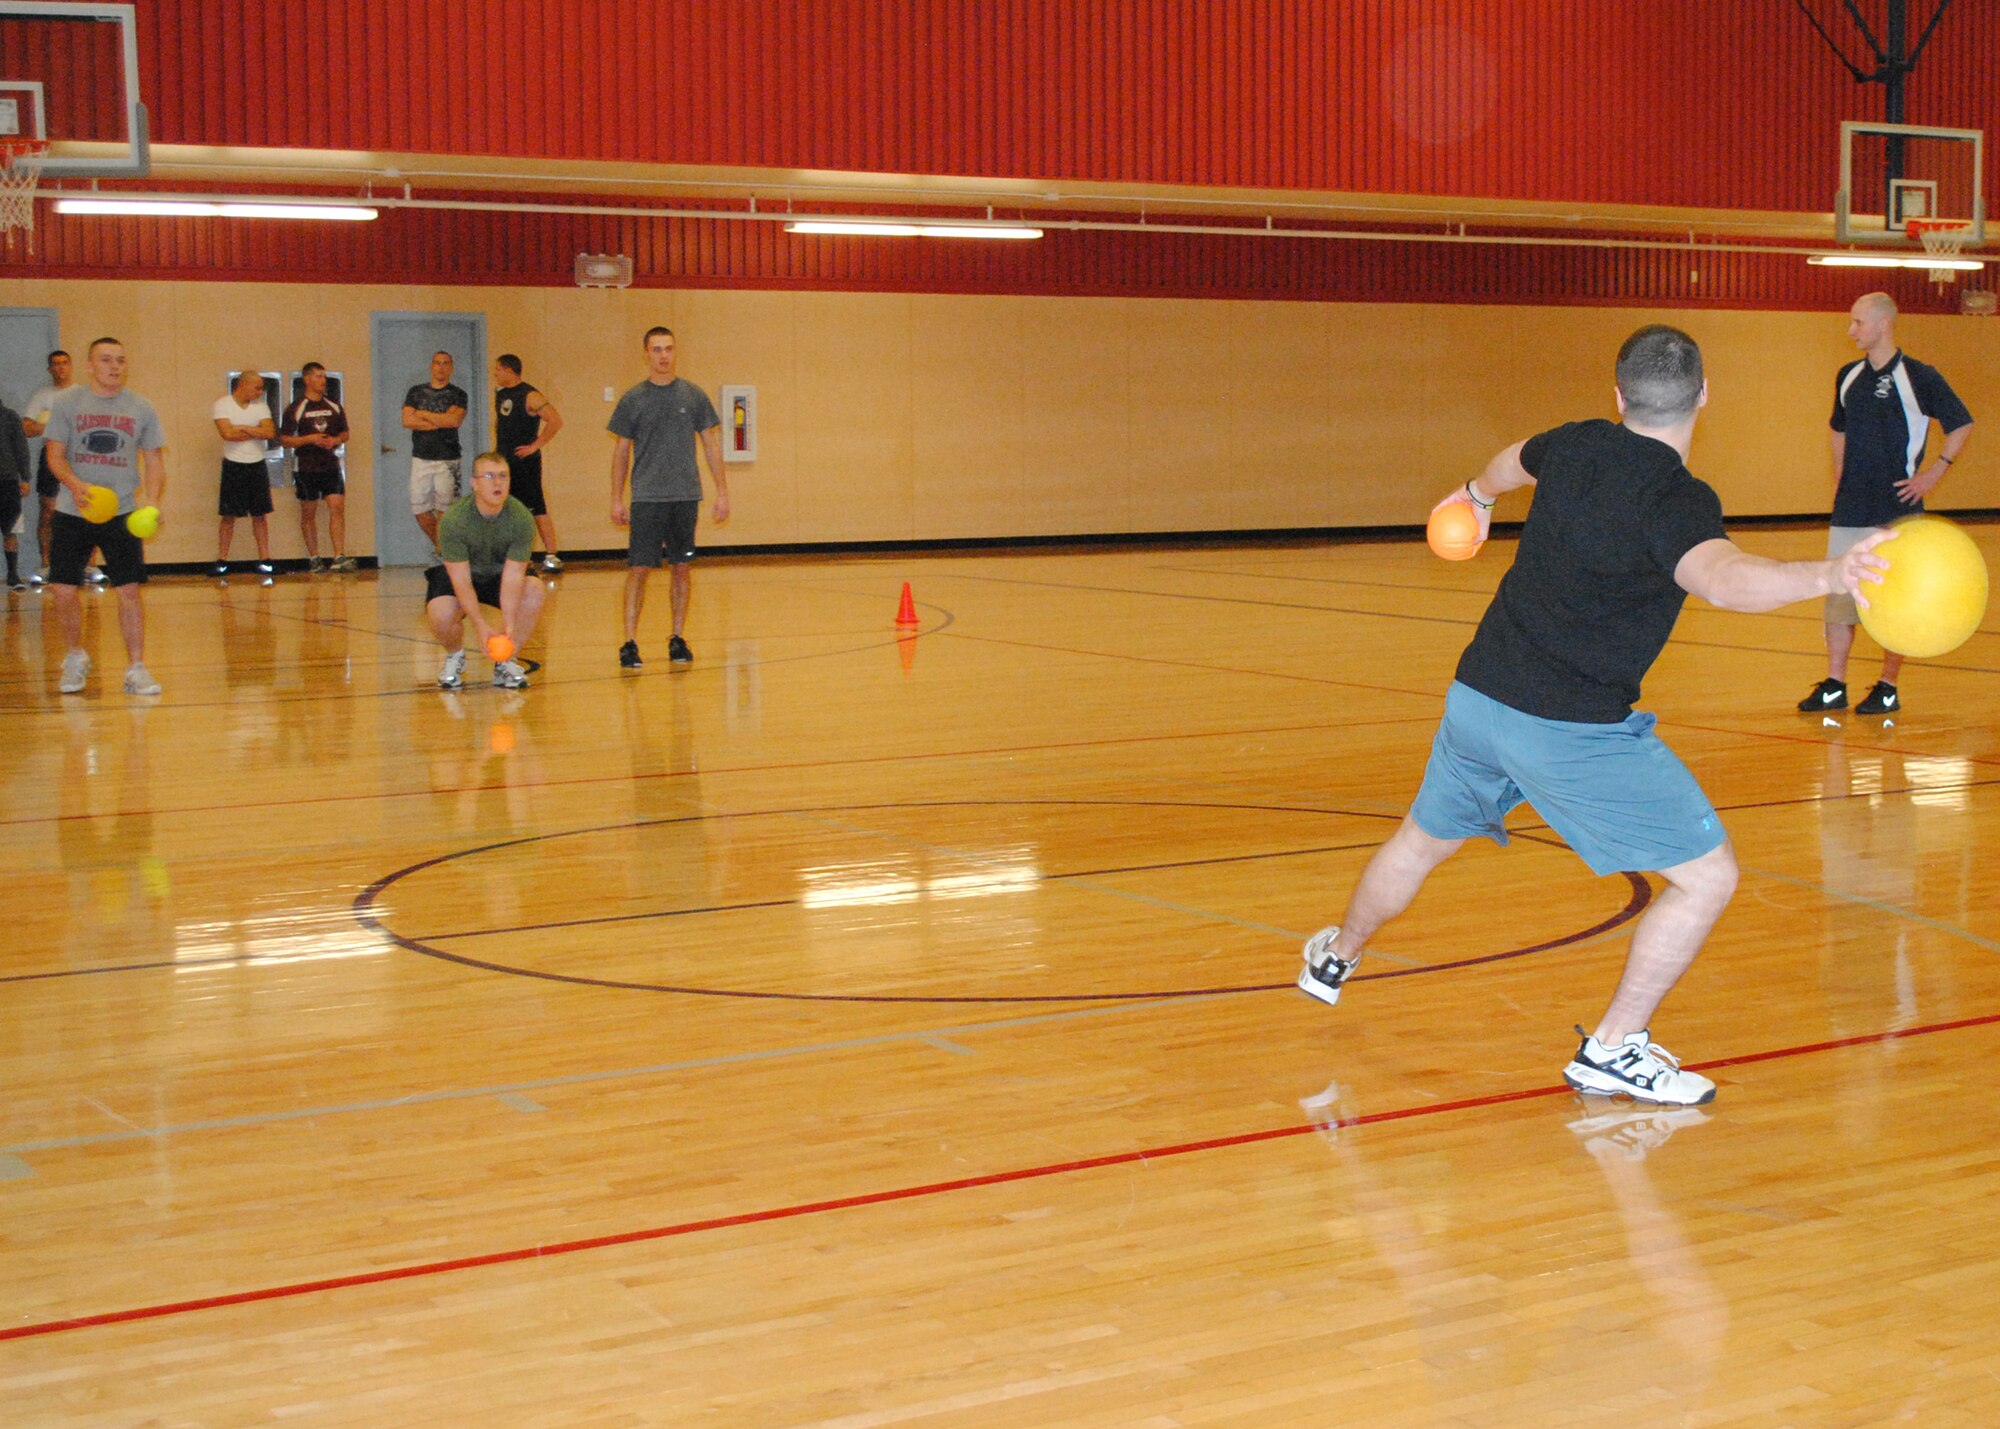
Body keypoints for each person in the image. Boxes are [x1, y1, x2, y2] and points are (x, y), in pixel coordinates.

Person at [1296, 325, 1891, 1107]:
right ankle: (1613, 1047)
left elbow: (1513, 459)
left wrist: (1473, 496)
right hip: (1567, 727)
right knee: (1707, 877)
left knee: (1420, 840)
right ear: (1704, 395)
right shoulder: (1678, 498)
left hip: (1479, 695)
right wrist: (1829, 571)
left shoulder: (1574, 442)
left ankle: (1335, 955)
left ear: (1618, 397)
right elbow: (1721, 578)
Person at [1796, 291, 1973, 717]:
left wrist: (1933, 472)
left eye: (1858, 322)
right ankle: (1835, 684)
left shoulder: (1920, 376)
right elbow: (1837, 429)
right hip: (1850, 508)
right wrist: (1839, 476)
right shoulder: (1848, 376)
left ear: (1883, 324)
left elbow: (1961, 423)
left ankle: (1887, 686)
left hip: (1898, 511)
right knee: (1838, 598)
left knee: (1896, 601)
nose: (1851, 330)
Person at [42, 337, 169, 696]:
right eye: (107, 360)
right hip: (74, 509)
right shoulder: (68, 403)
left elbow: (154, 460)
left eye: (120, 360)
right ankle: (75, 657)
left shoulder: (141, 407)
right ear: (90, 365)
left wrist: (154, 501)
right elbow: (55, 455)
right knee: (63, 589)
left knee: (128, 590)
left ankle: (136, 668)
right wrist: (74, 484)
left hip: (123, 512)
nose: (115, 366)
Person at [608, 326, 730, 669]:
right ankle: (629, 642)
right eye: (657, 349)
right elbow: (620, 452)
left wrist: (722, 491)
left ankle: (677, 638)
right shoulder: (633, 399)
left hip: (685, 496)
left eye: (669, 349)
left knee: (680, 568)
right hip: (647, 497)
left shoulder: (693, 396)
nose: (663, 355)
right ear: (646, 353)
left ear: (676, 352)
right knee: (639, 569)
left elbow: (710, 444)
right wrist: (617, 498)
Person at [426, 451, 546, 691]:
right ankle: (454, 656)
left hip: (499, 576)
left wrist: (509, 626)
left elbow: (513, 576)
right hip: (464, 575)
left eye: (503, 476)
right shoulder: (454, 520)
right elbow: (460, 581)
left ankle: (505, 661)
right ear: (475, 483)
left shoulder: (521, 518)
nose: (498, 482)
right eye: (489, 476)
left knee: (534, 589)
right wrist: (481, 626)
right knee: (440, 611)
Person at [493, 354, 565, 573]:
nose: (495, 374)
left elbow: (555, 420)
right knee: (506, 508)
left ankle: (552, 556)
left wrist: (535, 445)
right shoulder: (501, 394)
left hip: (525, 462)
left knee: (536, 506)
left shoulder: (530, 395)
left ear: (508, 370)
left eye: (497, 369)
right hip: (505, 461)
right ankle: (513, 556)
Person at [280, 361, 355, 572]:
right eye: (318, 376)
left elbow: (345, 433)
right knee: (309, 512)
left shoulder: (334, 406)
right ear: (307, 379)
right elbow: (285, 439)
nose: (323, 381)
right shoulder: (296, 408)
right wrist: (309, 439)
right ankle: (314, 557)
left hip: (330, 465)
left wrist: (335, 441)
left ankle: (339, 556)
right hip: (306, 467)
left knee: (337, 507)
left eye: (324, 377)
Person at [211, 369, 277, 582]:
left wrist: (243, 429)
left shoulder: (262, 407)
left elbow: (269, 433)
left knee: (260, 514)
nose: (260, 392)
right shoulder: (222, 404)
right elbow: (227, 434)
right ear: (243, 385)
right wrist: (253, 430)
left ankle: (265, 560)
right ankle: (222, 561)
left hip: (256, 465)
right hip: (233, 465)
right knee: (228, 515)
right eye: (257, 387)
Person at [24, 348, 81, 586]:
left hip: (79, 458)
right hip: (50, 457)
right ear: (50, 369)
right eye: (55, 364)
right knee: (48, 509)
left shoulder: (82, 394)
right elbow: (27, 428)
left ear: (70, 366)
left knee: (85, 508)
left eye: (64, 363)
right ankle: (47, 565)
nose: (60, 368)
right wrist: (50, 428)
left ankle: (86, 565)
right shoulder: (43, 396)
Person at [402, 350, 468, 552]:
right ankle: (443, 549)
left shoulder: (458, 394)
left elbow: (454, 420)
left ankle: (445, 554)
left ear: (451, 367)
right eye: (437, 363)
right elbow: (407, 421)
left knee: (446, 512)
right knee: (419, 509)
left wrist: (422, 415)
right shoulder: (415, 392)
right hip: (421, 458)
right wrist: (440, 420)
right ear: (431, 366)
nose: (441, 367)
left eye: (446, 363)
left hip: (448, 460)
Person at [0, 394, 28, 591]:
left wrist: (25, 478)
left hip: (7, 480)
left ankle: (12, 573)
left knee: (11, 529)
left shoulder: (10, 417)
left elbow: (21, 448)